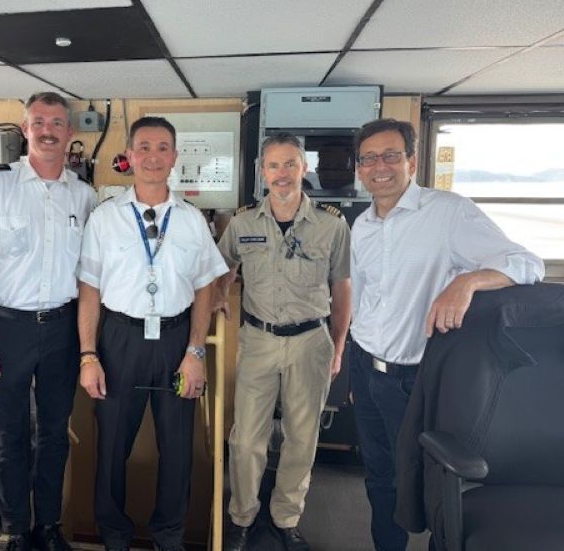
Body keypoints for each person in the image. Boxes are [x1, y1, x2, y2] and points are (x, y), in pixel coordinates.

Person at [349, 118, 545, 551]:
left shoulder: (448, 213)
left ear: (411, 161)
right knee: (379, 475)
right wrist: (351, 364)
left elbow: (528, 264)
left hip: (416, 378)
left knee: (428, 481)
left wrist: (468, 281)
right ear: (359, 168)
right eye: (368, 158)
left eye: (390, 156)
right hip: (365, 368)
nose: (379, 166)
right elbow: (363, 298)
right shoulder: (361, 225)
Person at [78, 116, 228, 551]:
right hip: (119, 341)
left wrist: (196, 351)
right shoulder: (104, 219)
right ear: (128, 155)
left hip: (176, 342)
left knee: (178, 451)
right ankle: (115, 537)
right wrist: (89, 356)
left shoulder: (192, 220)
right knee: (110, 452)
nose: (153, 156)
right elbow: (89, 290)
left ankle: (169, 536)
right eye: (143, 147)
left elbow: (205, 285)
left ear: (175, 157)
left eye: (163, 148)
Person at [0, 92, 97, 551]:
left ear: (70, 133)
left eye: (57, 122)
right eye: (38, 121)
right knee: (9, 434)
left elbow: (94, 274)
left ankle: (49, 526)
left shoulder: (85, 195)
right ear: (24, 129)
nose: (47, 129)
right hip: (7, 329)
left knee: (55, 433)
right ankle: (17, 529)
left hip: (62, 327)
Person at [217, 133, 351, 551]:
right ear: (262, 171)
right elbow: (223, 266)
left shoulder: (332, 223)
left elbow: (342, 285)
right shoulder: (242, 222)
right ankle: (241, 515)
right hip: (258, 338)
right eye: (273, 165)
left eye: (290, 164)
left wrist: (339, 343)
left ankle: (285, 517)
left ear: (304, 168)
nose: (281, 173)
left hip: (311, 340)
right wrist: (222, 292)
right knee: (246, 439)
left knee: (301, 436)